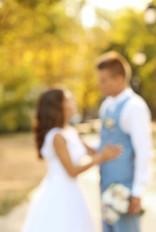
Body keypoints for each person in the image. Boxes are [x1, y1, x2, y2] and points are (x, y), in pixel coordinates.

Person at [22, 88, 121, 232]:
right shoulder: (57, 136)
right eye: (68, 100)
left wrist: (112, 134)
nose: (73, 102)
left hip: (73, 190)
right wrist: (101, 158)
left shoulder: (71, 131)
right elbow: (72, 171)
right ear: (58, 106)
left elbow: (92, 151)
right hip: (59, 191)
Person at [96, 51, 153, 232]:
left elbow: (144, 152)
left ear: (119, 79)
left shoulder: (134, 107)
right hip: (106, 185)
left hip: (125, 190)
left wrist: (137, 192)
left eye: (104, 80)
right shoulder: (106, 105)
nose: (100, 85)